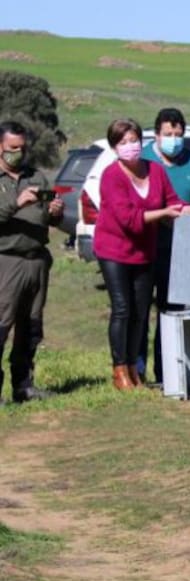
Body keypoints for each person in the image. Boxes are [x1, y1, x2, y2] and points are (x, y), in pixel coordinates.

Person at [94, 118, 190, 390]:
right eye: (123, 142)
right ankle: (119, 369)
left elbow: (171, 200)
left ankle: (134, 367)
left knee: (140, 312)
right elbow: (129, 219)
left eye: (133, 140)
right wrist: (165, 214)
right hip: (114, 251)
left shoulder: (155, 170)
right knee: (122, 308)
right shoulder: (111, 176)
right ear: (114, 147)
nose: (130, 146)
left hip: (144, 251)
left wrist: (185, 209)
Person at [140, 108, 190, 384]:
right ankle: (136, 369)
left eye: (178, 134)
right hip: (143, 245)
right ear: (156, 134)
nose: (173, 139)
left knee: (171, 311)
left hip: (180, 248)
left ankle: (167, 372)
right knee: (139, 310)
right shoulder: (143, 160)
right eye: (168, 134)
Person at [0, 120, 62, 403]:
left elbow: (50, 218)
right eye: (13, 148)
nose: (19, 153)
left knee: (31, 326)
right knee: (2, 326)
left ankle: (24, 385)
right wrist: (16, 203)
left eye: (23, 148)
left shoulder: (36, 176)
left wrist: (54, 211)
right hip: (6, 261)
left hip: (36, 260)